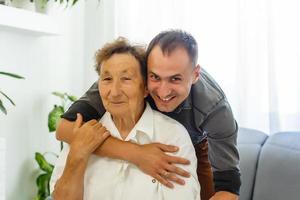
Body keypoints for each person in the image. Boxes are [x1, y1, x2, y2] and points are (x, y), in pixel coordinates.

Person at [56, 30, 241, 200]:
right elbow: (64, 128)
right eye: (155, 77)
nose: (163, 91)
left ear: (195, 74)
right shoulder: (118, 81)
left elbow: (229, 186)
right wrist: (136, 153)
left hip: (195, 144)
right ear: (145, 78)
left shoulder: (215, 108)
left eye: (175, 79)